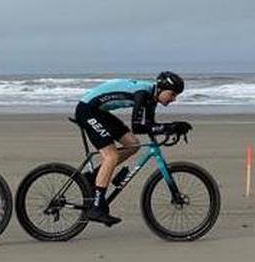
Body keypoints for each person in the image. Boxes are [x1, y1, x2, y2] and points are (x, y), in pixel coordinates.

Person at [75, 71, 190, 226]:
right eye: (173, 94)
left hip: (99, 112)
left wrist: (171, 127)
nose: (174, 99)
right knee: (111, 156)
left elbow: (149, 126)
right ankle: (96, 207)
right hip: (87, 111)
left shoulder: (151, 98)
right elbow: (137, 127)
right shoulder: (142, 94)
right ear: (162, 89)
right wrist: (170, 127)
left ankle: (94, 177)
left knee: (132, 144)